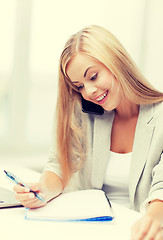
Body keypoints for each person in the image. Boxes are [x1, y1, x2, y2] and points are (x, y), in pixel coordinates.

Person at [14, 25, 163, 239]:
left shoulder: (160, 116)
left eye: (93, 77)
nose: (89, 92)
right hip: (90, 230)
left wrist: (153, 219)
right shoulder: (84, 113)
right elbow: (59, 165)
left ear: (117, 63)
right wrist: (42, 191)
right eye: (79, 86)